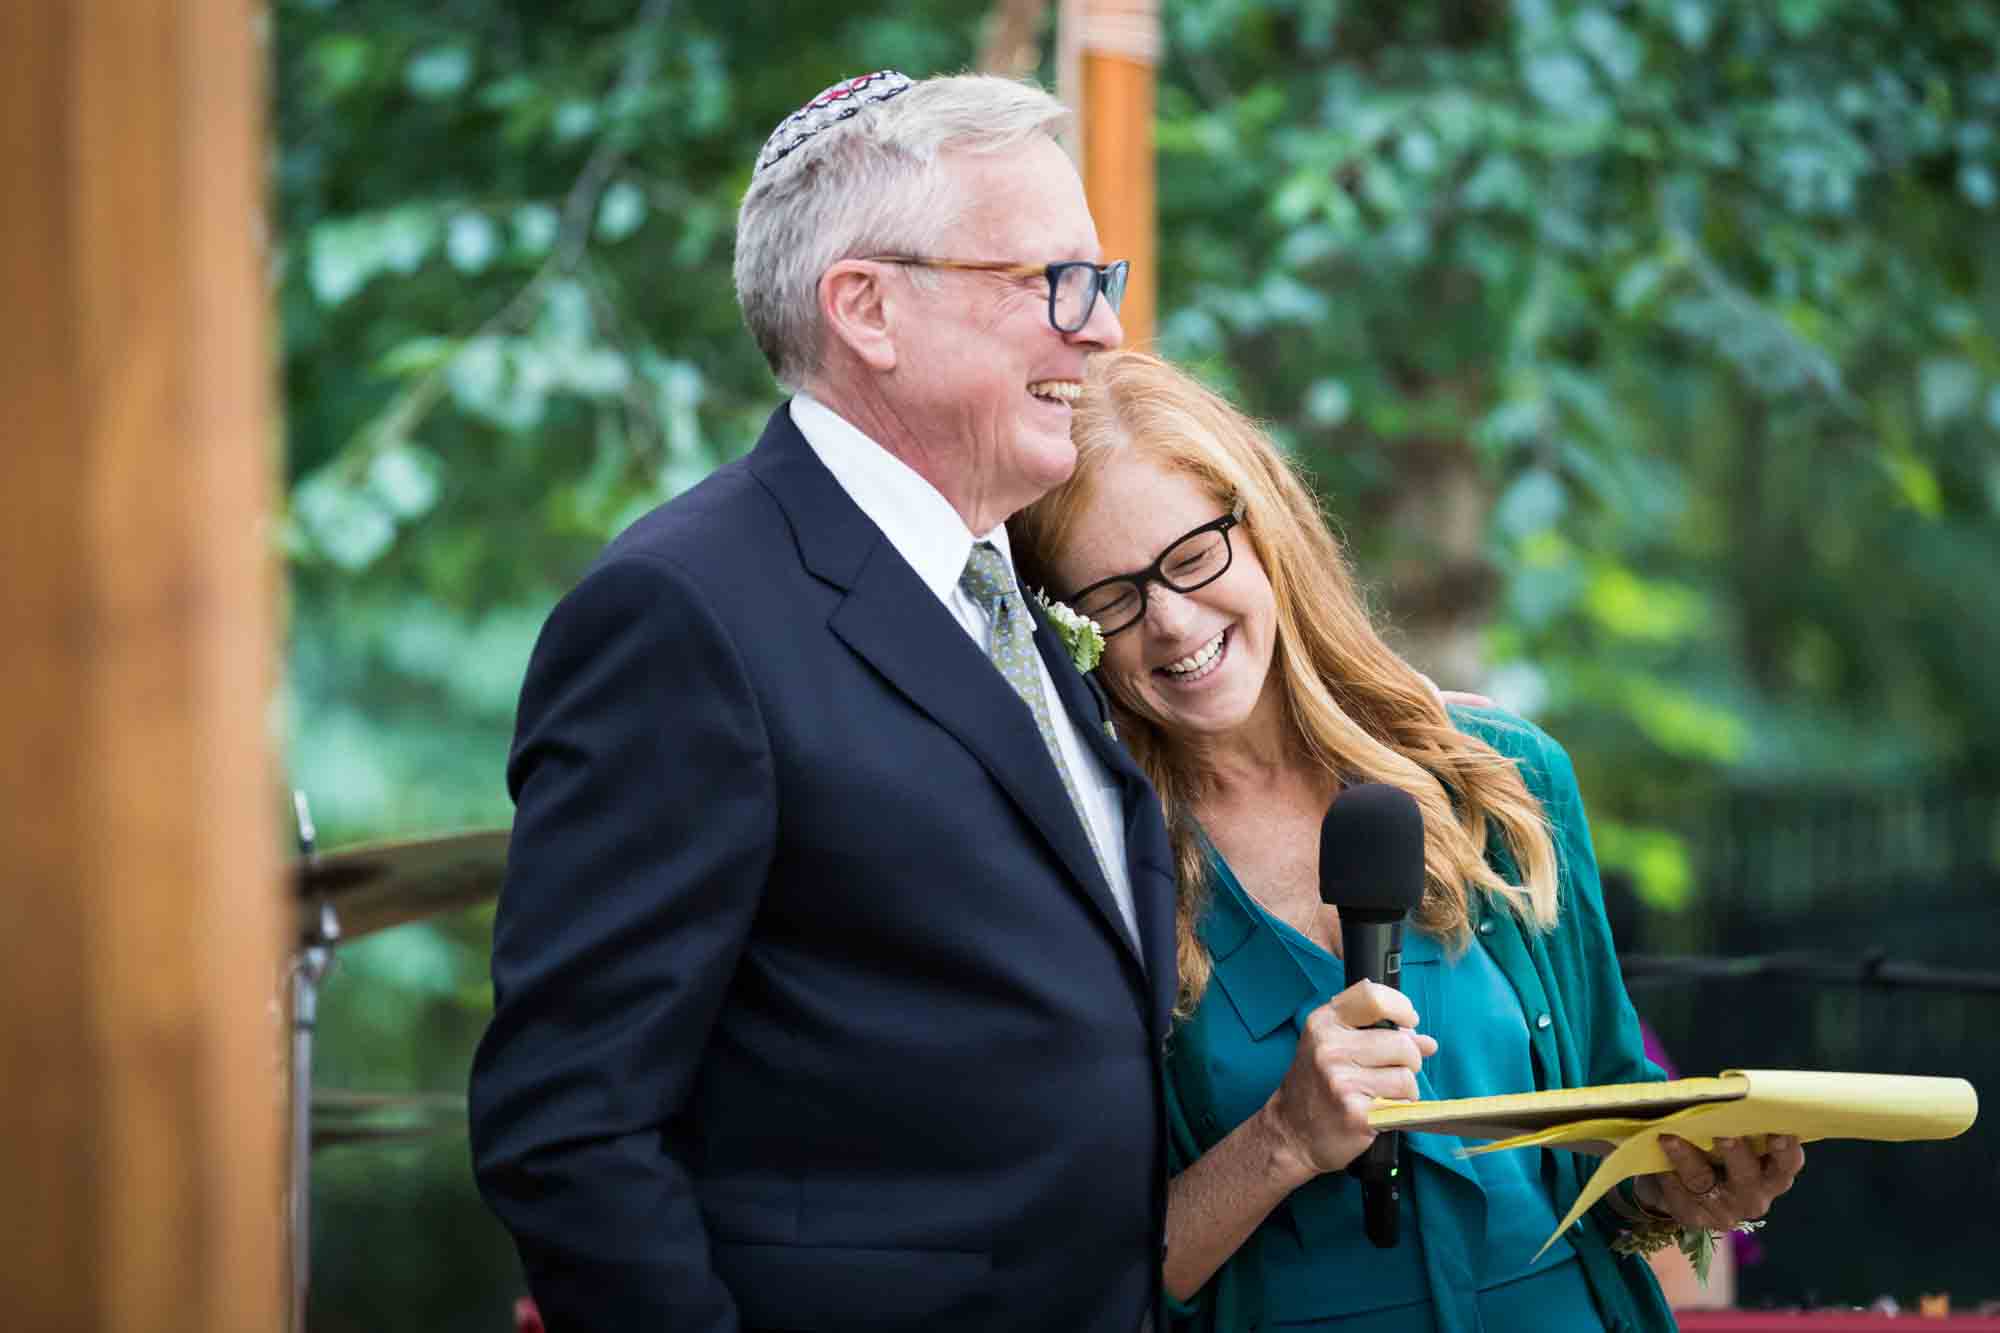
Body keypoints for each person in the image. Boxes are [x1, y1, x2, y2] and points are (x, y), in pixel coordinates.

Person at [468, 74, 1177, 1333]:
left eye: (1098, 282)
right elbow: (568, 1123)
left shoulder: (1011, 579)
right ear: (867, 308)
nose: (1100, 332)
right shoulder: (682, 612)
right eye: (1050, 284)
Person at [1008, 350, 1804, 1333]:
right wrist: (1283, 1138)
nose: (1170, 622)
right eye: (1113, 596)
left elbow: (1606, 1121)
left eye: (1190, 556)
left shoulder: (1495, 778)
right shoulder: (1081, 865)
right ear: (1065, 628)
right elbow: (1078, 1278)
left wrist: (1694, 1184)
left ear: (1264, 535)